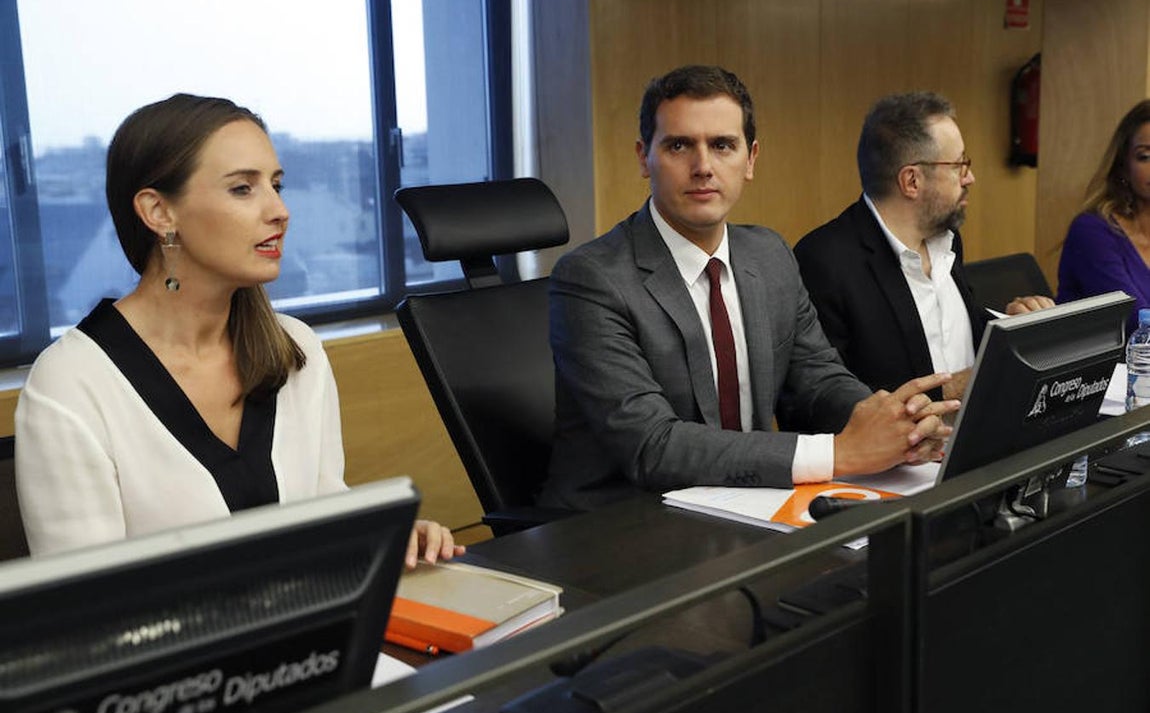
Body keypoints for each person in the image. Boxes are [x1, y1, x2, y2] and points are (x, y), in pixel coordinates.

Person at [15, 93, 464, 567]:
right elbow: (86, 609)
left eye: (276, 185)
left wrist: (388, 538)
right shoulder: (68, 384)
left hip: (317, 637)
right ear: (158, 212)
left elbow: (325, 518)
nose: (279, 211)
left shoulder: (296, 348)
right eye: (243, 189)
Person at [539, 66, 958, 512]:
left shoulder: (768, 254)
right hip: (622, 523)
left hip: (743, 502)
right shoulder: (591, 278)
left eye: (722, 145)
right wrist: (840, 453)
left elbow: (816, 377)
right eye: (679, 145)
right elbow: (653, 445)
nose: (703, 167)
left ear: (751, 159)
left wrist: (895, 426)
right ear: (645, 158)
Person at [794, 92, 1053, 404]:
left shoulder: (948, 237)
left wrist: (1014, 327)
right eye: (959, 165)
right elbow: (824, 400)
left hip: (977, 439)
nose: (970, 177)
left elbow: (954, 337)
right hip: (906, 452)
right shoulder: (826, 261)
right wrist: (957, 387)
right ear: (912, 181)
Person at [1056, 99, 1150, 333]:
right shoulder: (1091, 231)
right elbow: (1136, 324)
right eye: (1145, 157)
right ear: (1123, 165)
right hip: (1104, 368)